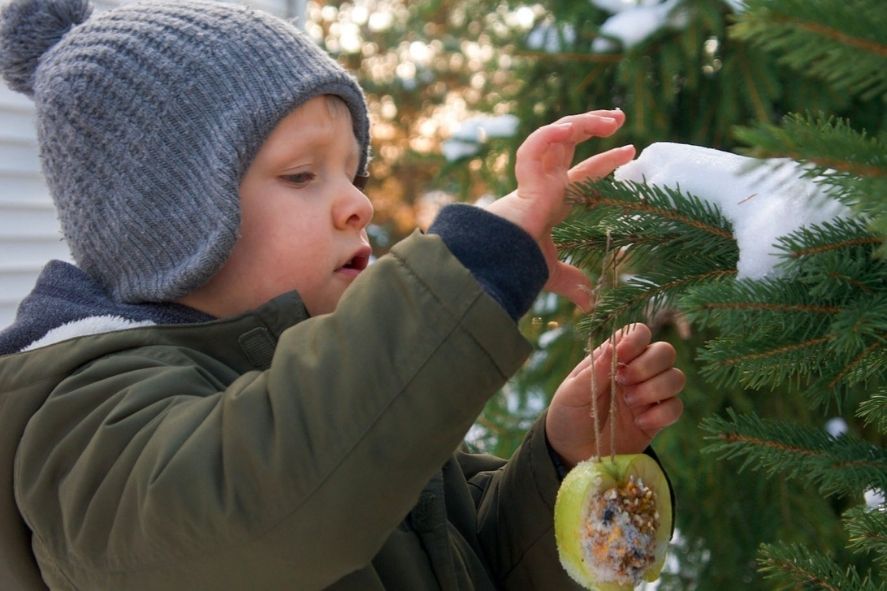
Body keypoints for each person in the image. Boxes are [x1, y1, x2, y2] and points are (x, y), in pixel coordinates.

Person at [0, 0, 685, 589]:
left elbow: (459, 559)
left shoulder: (326, 394)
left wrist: (565, 460)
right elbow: (264, 512)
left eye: (352, 171)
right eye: (302, 175)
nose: (357, 201)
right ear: (166, 216)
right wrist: (475, 260)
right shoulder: (82, 421)